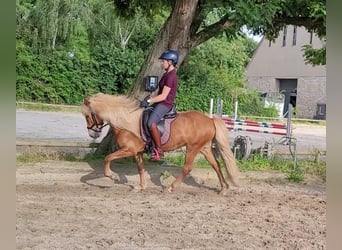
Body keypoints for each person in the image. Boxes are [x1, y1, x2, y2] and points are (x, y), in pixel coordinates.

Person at [140, 49, 179, 161]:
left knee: (151, 123)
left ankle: (159, 150)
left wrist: (149, 101)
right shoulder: (165, 74)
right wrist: (149, 99)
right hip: (159, 102)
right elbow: (159, 92)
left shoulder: (171, 76)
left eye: (164, 61)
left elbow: (164, 96)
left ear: (170, 62)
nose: (162, 63)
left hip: (165, 104)